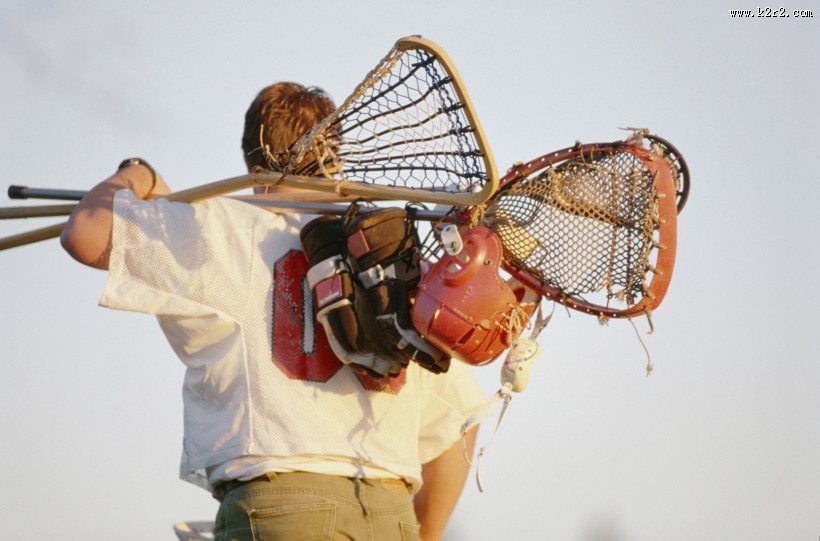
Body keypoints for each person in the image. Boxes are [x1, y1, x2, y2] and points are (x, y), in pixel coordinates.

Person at [61, 82, 484, 541]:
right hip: (388, 511)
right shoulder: (396, 258)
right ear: (336, 158)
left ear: (250, 164)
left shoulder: (217, 231)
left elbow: (86, 234)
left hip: (285, 508)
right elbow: (462, 413)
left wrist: (138, 173)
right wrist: (428, 532)